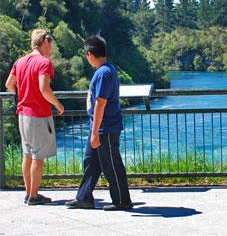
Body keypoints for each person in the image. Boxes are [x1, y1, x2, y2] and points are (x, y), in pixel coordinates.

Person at [66, 35, 133, 211]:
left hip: (105, 128)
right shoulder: (106, 70)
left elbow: (100, 103)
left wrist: (95, 132)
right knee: (91, 162)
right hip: (99, 127)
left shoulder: (103, 73)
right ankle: (84, 197)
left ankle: (122, 200)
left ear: (89, 54)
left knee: (111, 163)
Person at [5, 29, 64, 205]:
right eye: (50, 43)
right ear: (45, 41)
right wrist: (57, 104)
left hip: (22, 114)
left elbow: (9, 84)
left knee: (27, 154)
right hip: (38, 114)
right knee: (38, 157)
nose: (51, 48)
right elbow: (44, 89)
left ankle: (28, 193)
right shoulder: (44, 63)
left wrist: (23, 96)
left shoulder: (20, 61)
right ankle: (34, 196)